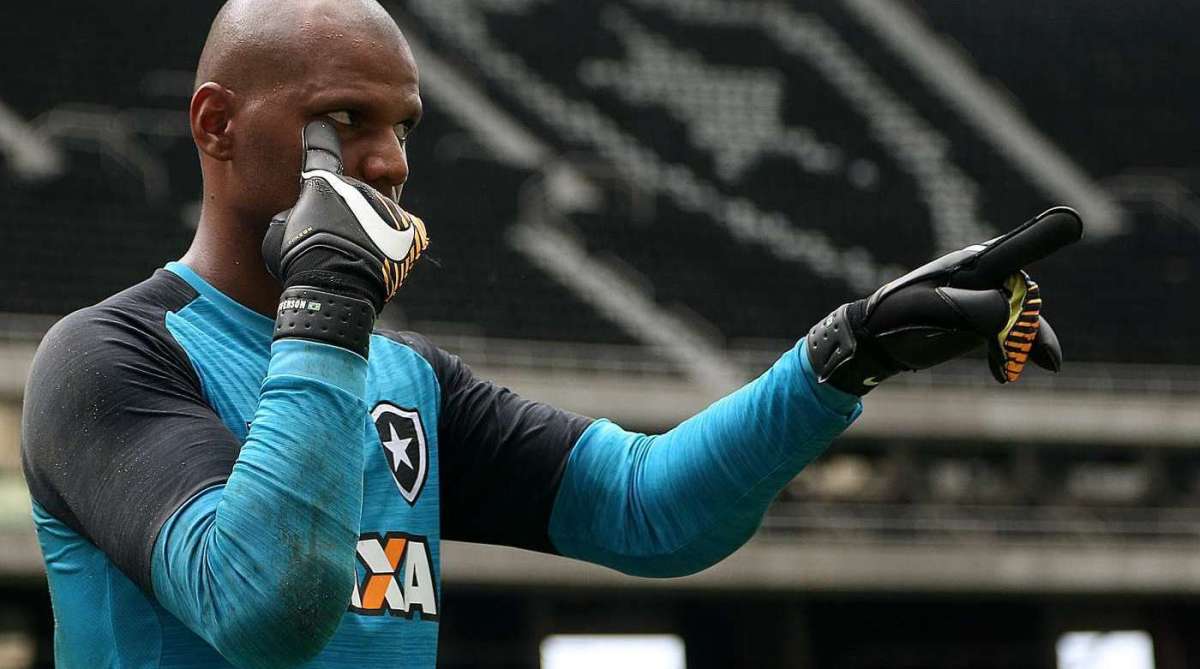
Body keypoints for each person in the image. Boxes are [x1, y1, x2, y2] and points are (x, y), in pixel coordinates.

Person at [19, 0, 1081, 666]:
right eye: (345, 119)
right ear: (215, 124)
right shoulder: (109, 359)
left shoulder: (404, 378)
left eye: (404, 126)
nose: (387, 161)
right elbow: (261, 612)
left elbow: (651, 510)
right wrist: (331, 301)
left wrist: (846, 354)